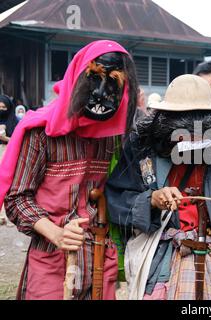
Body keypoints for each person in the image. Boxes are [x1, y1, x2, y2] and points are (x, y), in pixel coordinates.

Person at [0, 40, 138, 300]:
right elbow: (17, 199)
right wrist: (57, 233)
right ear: (77, 78)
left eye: (113, 82)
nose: (100, 92)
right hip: (50, 259)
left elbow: (121, 190)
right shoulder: (42, 131)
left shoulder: (114, 136)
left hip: (99, 259)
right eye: (93, 79)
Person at [105, 74, 211, 300]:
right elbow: (116, 199)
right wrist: (152, 200)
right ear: (166, 122)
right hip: (162, 259)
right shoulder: (143, 147)